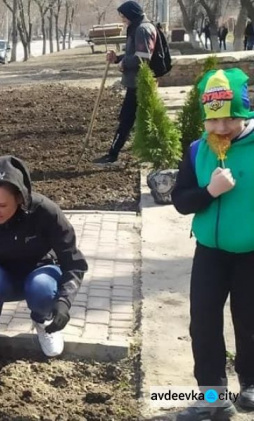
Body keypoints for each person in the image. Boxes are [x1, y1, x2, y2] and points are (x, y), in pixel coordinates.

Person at [0, 156, 88, 372]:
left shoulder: (46, 212)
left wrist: (64, 303)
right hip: (2, 274)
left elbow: (73, 260)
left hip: (42, 270)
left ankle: (43, 321)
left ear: (20, 198)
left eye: (2, 205)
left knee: (41, 287)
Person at [171, 67, 254, 420]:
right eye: (213, 121)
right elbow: (180, 200)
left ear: (245, 113)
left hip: (251, 254)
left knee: (249, 320)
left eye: (231, 119)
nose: (221, 129)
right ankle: (212, 396)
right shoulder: (195, 151)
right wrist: (210, 191)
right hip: (209, 252)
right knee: (203, 322)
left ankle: (250, 383)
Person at [94, 1, 156, 165]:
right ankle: (143, 152)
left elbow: (143, 57)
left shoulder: (142, 29)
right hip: (136, 82)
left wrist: (124, 63)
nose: (123, 20)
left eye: (124, 16)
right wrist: (118, 59)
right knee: (133, 119)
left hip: (139, 83)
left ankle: (113, 155)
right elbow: (134, 54)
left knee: (127, 119)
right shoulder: (138, 27)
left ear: (132, 14)